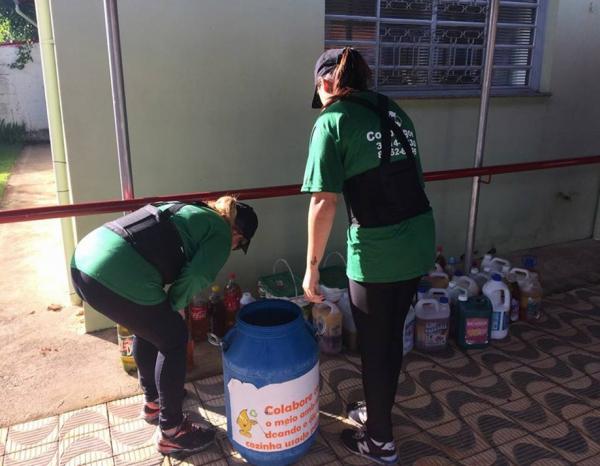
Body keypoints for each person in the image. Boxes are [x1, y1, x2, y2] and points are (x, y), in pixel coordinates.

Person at [302, 48, 435, 465]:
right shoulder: (391, 109)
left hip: (379, 251)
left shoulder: (331, 121)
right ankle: (377, 413)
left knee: (375, 346)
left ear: (326, 83)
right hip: (418, 238)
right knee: (390, 335)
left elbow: (324, 202)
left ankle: (379, 441)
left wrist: (311, 269)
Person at [71, 196, 258, 458]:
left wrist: (166, 309)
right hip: (113, 272)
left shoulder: (192, 209)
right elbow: (196, 276)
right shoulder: (221, 232)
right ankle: (172, 432)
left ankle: (154, 403)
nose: (233, 247)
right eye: (239, 245)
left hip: (84, 260)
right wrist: (175, 305)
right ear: (238, 233)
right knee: (173, 338)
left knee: (149, 328)